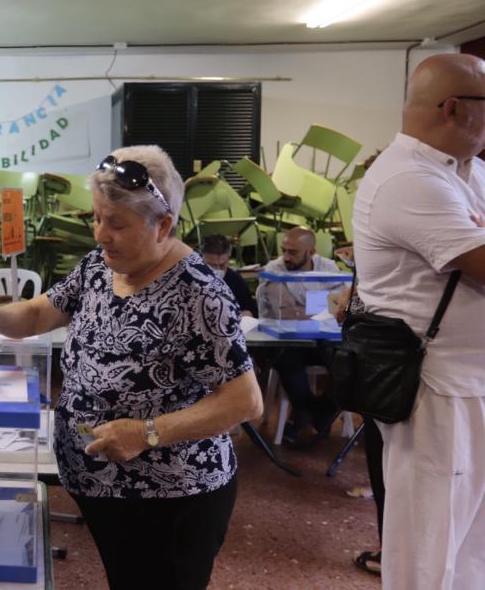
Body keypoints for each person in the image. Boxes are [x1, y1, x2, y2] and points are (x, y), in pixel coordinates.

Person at [0, 146, 263, 590]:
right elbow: (43, 312)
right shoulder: (101, 265)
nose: (101, 234)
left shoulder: (200, 294)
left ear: (164, 226)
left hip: (170, 497)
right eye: (96, 218)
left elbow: (245, 401)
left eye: (116, 224)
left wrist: (146, 432)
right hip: (102, 486)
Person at [353, 53, 485, 589]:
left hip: (470, 383)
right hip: (434, 390)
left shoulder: (467, 170)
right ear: (455, 109)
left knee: (472, 540)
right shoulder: (409, 178)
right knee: (428, 546)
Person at [256, 226, 343, 444]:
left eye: (293, 252)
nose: (286, 257)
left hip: (325, 339)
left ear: (311, 252)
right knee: (287, 360)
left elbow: (342, 308)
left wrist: (300, 308)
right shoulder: (274, 268)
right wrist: (321, 306)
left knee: (348, 365)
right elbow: (283, 313)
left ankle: (310, 414)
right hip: (288, 342)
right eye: (284, 250)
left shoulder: (329, 267)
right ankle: (317, 415)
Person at [200, 233, 258, 316]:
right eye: (212, 265)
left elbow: (250, 310)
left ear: (229, 255)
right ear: (202, 257)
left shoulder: (236, 280)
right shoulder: (192, 279)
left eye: (222, 265)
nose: (218, 270)